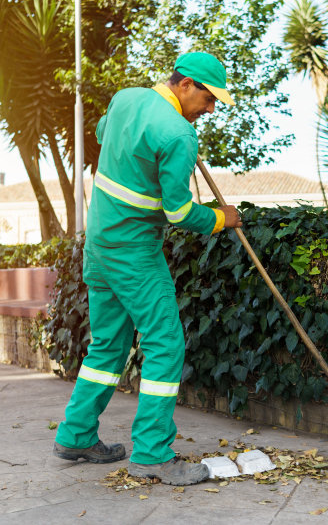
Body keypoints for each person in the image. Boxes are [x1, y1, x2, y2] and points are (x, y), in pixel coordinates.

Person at [53, 52, 242, 486]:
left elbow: (105, 133)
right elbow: (178, 212)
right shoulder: (179, 134)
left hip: (99, 245)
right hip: (134, 251)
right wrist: (221, 218)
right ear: (187, 84)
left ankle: (76, 434)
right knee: (166, 343)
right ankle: (154, 453)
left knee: (107, 347)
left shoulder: (126, 98)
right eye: (210, 99)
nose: (210, 110)